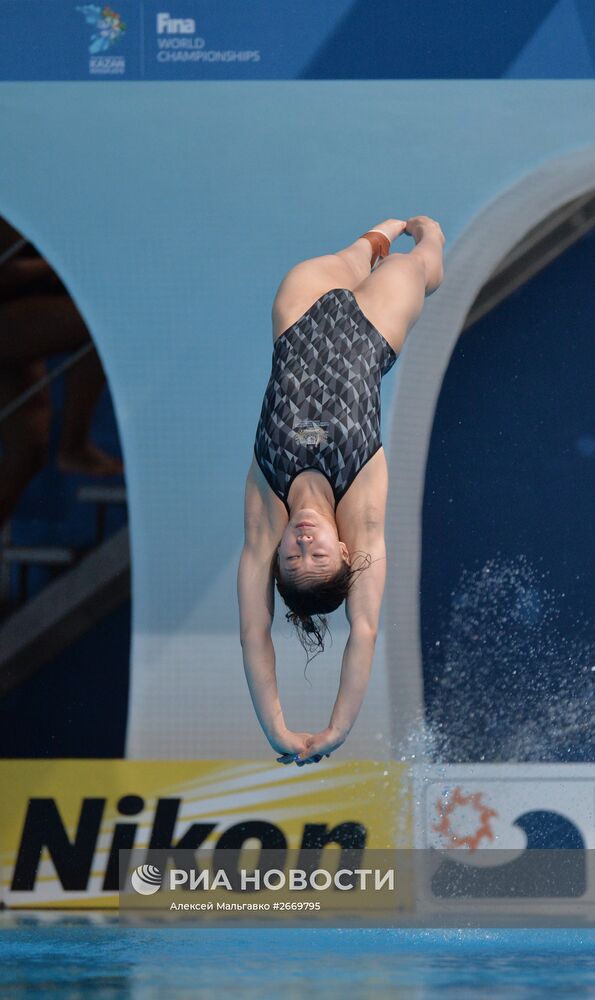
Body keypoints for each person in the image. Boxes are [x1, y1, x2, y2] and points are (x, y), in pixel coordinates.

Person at [237, 216, 445, 767]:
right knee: (414, 264)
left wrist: (275, 726)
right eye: (319, 553)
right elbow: (366, 629)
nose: (303, 541)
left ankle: (373, 240)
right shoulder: (363, 511)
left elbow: (255, 631)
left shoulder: (266, 504)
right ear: (345, 552)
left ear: (276, 554)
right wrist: (336, 728)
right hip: (372, 331)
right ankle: (428, 240)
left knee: (359, 253)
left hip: (298, 316)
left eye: (293, 554)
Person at [0, 218, 123, 529]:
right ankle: (73, 444)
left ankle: (72, 446)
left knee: (27, 450)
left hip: (21, 302)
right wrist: (58, 263)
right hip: (12, 306)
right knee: (99, 321)